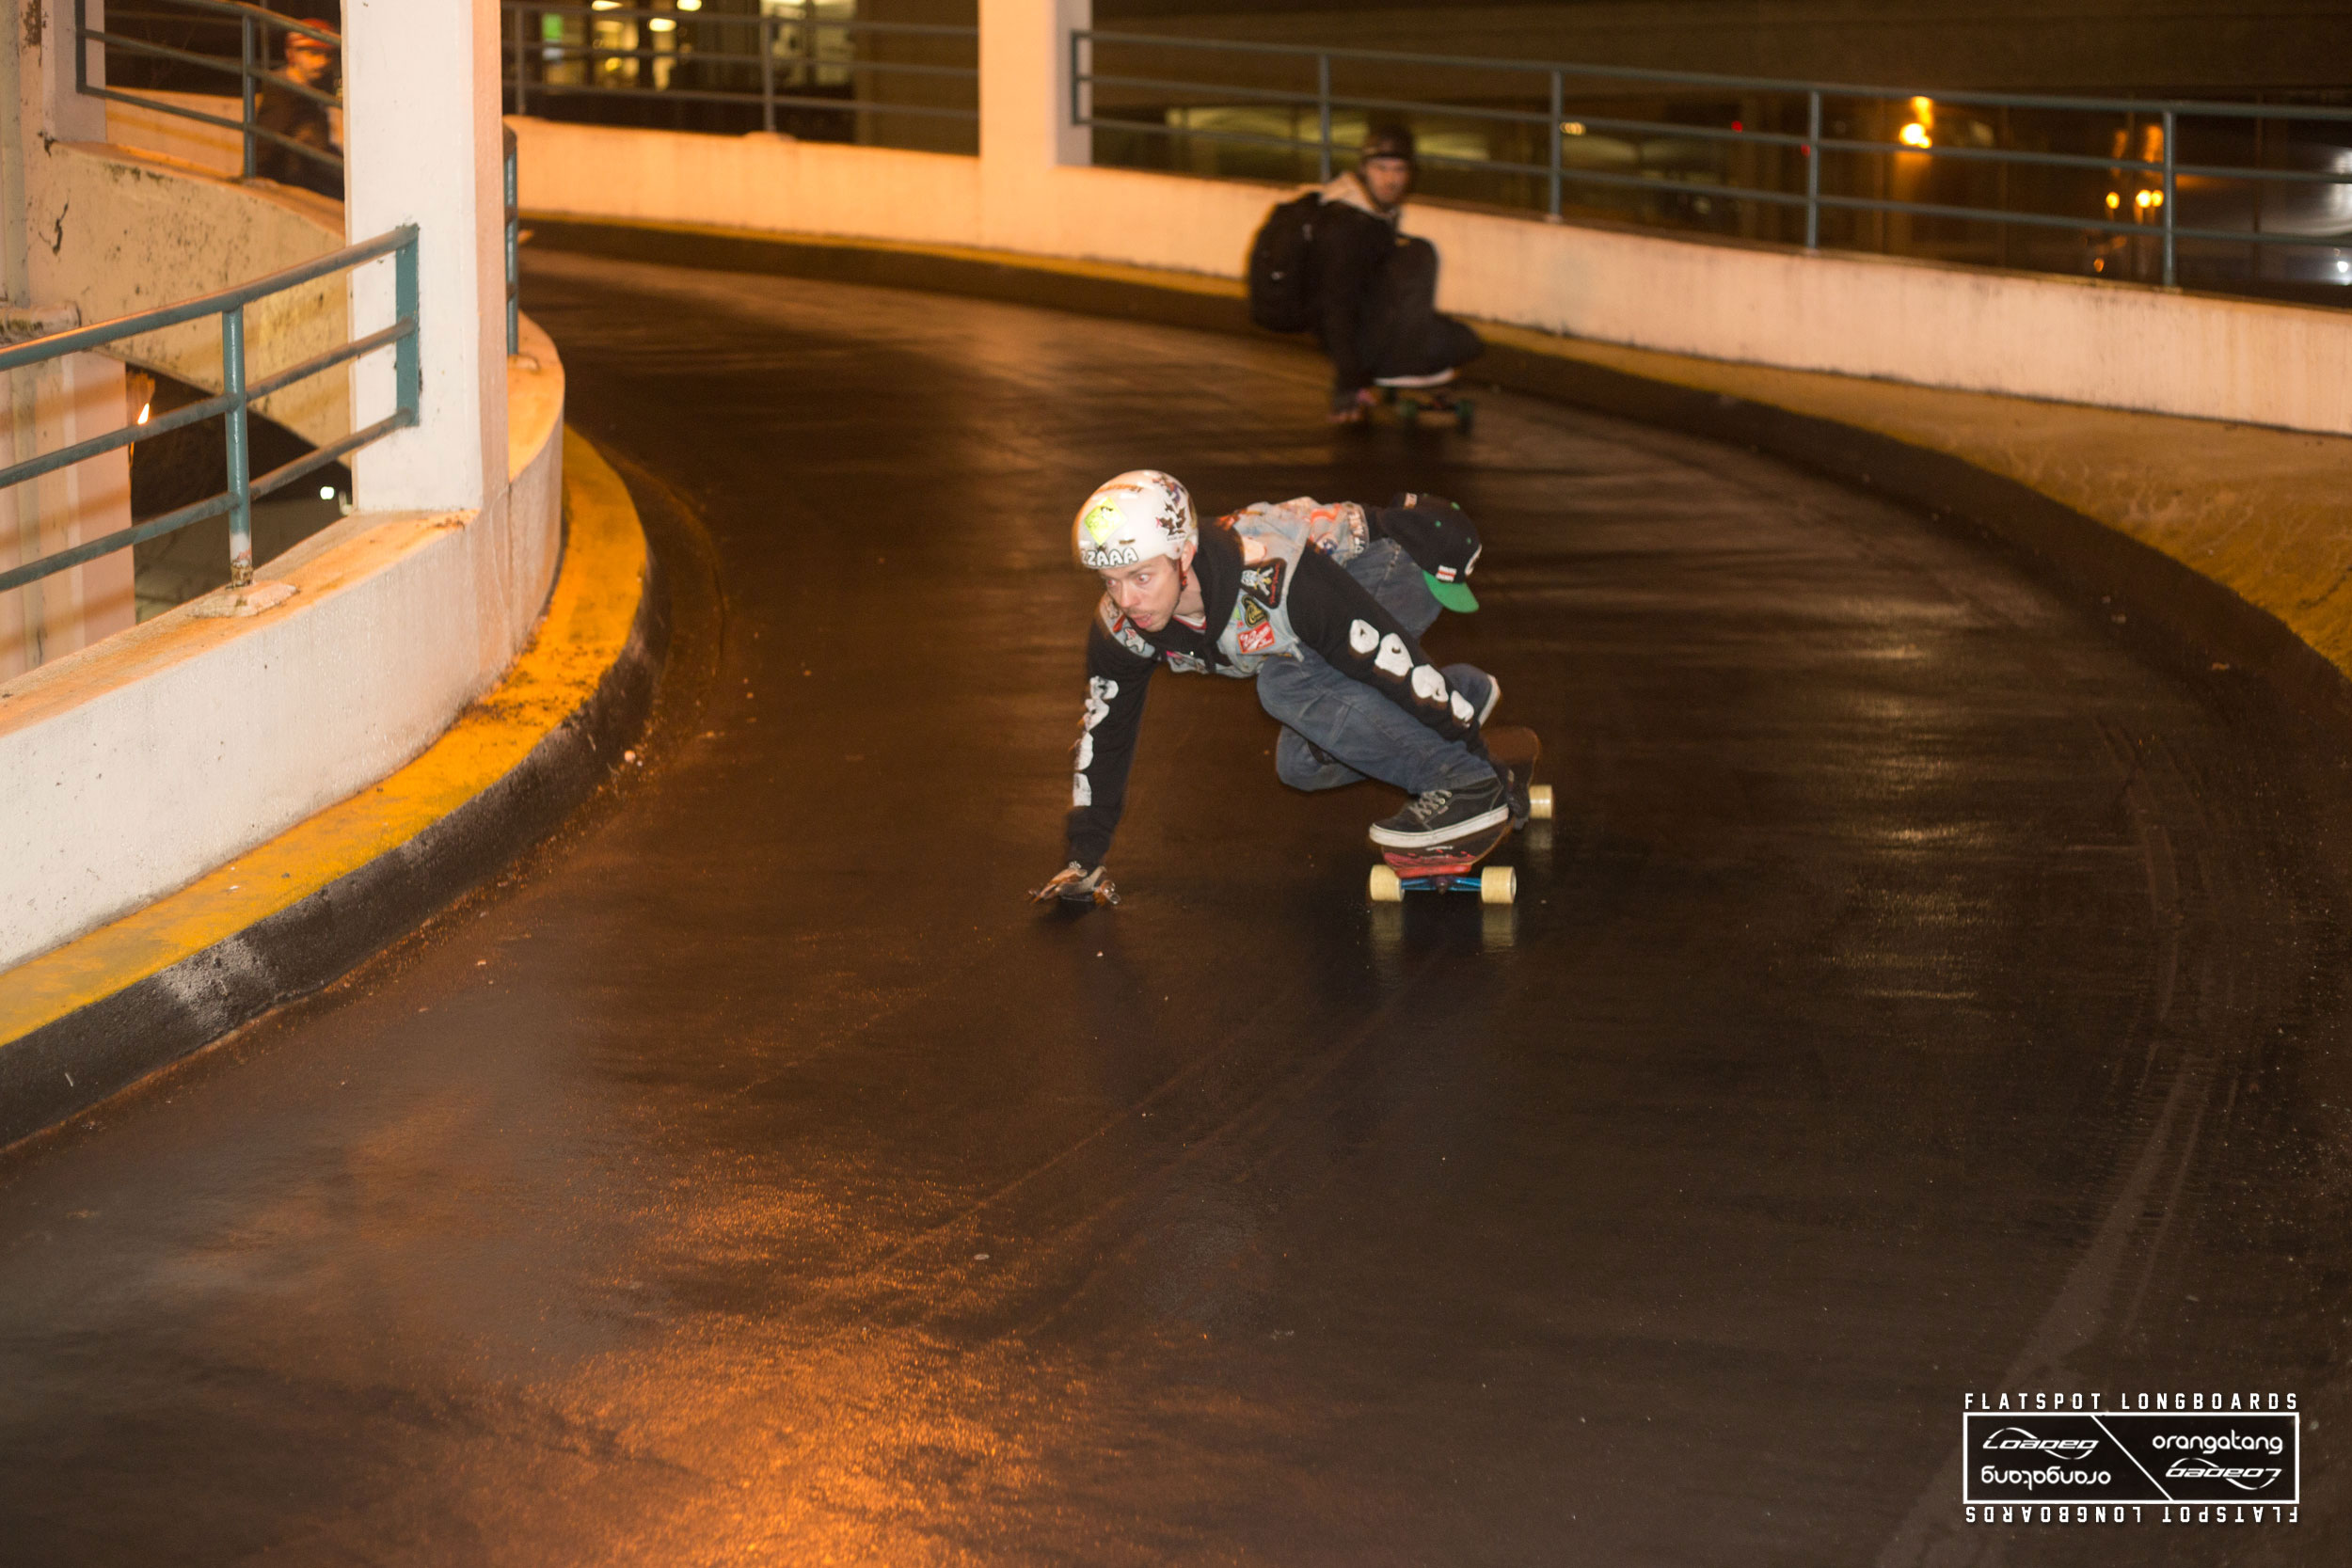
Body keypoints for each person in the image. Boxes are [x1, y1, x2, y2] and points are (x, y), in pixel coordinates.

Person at [1033, 470, 1526, 906]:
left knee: (1287, 684)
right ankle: (1465, 693)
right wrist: (1084, 858)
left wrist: (1479, 764)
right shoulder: (1120, 628)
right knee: (1300, 764)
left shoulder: (1274, 578)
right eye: (1109, 581)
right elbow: (1107, 731)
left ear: (1184, 554)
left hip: (1390, 563)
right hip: (1327, 614)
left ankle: (1465, 784)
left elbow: (1387, 657)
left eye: (1141, 577)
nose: (1127, 600)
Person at [1308, 126, 1484, 424]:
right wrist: (1348, 380)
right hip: (1361, 339)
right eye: (1381, 169)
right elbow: (1336, 304)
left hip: (1370, 326)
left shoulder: (1372, 209)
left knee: (1457, 335)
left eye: (1399, 170)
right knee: (1460, 340)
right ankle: (1400, 367)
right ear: (1364, 169)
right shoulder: (1349, 223)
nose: (1391, 180)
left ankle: (1398, 363)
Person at [252, 21, 343, 201]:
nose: (321, 62)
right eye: (313, 53)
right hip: (296, 172)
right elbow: (265, 137)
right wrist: (254, 175)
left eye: (327, 55)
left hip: (312, 164)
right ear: (291, 54)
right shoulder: (283, 89)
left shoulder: (316, 83)